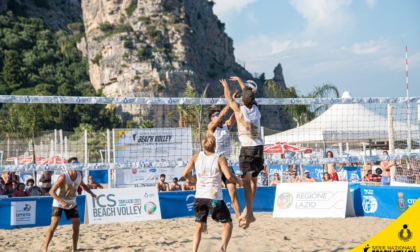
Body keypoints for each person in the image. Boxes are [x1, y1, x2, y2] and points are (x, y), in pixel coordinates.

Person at [182, 134, 243, 252]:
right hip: (213, 197)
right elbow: (229, 176)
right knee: (228, 224)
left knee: (199, 225)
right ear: (215, 145)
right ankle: (222, 248)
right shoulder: (220, 158)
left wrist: (194, 179)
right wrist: (239, 181)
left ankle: (194, 250)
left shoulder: (195, 157)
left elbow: (185, 174)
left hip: (199, 197)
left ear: (203, 145)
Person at [220, 76, 264, 229]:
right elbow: (248, 92)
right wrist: (240, 80)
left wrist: (226, 86)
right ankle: (248, 211)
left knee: (246, 182)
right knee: (254, 180)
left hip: (248, 148)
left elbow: (227, 97)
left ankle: (250, 213)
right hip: (259, 147)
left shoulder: (240, 110)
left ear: (242, 101)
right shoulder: (257, 108)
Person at [43, 157, 97, 252]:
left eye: (77, 162)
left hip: (72, 202)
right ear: (69, 165)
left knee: (77, 224)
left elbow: (83, 185)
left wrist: (92, 193)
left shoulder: (80, 174)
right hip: (59, 202)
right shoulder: (63, 176)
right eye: (74, 163)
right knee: (54, 224)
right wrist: (61, 202)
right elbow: (51, 191)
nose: (77, 164)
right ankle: (45, 249)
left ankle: (74, 249)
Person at [207, 93, 241, 221]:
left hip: (225, 163)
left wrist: (238, 103)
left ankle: (239, 216)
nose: (218, 115)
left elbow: (234, 115)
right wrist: (230, 100)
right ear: (211, 119)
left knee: (232, 189)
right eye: (215, 115)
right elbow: (223, 114)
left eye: (218, 114)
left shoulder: (226, 126)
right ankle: (208, 216)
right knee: (212, 192)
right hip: (214, 163)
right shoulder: (211, 128)